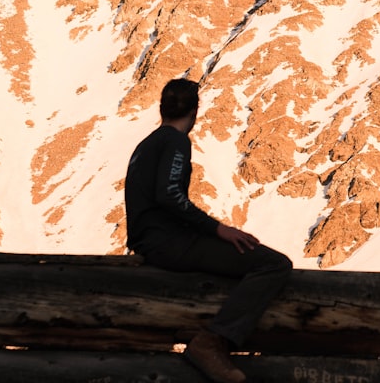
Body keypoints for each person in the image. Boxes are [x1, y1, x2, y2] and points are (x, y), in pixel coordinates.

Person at [125, 78, 292, 383]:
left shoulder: (146, 143)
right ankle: (213, 342)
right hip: (169, 242)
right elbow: (169, 194)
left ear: (161, 108)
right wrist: (218, 229)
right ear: (195, 111)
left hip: (152, 241)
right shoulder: (176, 141)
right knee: (273, 264)